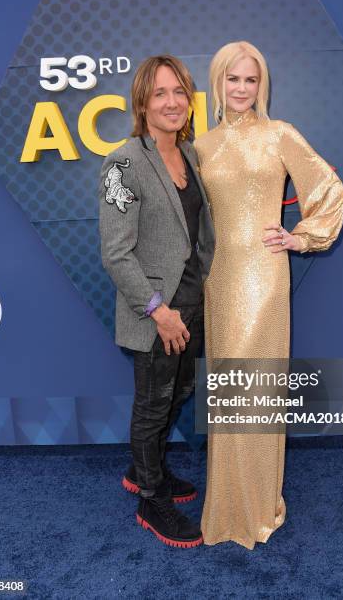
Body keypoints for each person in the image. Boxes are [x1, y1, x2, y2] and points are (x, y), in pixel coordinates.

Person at [194, 41, 343, 549]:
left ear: (262, 85)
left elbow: (328, 188)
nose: (242, 88)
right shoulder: (203, 146)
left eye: (251, 80)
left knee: (257, 387)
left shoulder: (280, 134)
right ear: (218, 83)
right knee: (229, 387)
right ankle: (227, 505)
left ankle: (257, 507)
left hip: (263, 276)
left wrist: (300, 236)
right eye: (233, 79)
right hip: (220, 278)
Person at [98, 55, 215, 548]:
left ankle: (147, 468)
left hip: (193, 303)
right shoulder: (123, 162)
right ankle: (150, 496)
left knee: (180, 391)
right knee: (153, 405)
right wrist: (158, 311)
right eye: (160, 93)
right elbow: (116, 253)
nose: (172, 102)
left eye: (179, 92)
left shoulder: (191, 155)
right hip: (157, 314)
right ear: (142, 102)